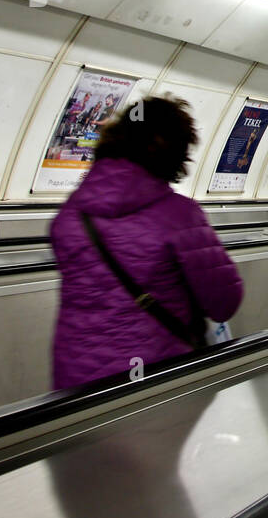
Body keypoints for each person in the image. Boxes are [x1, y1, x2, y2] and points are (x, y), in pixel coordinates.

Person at [49, 95, 244, 389]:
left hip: (76, 382)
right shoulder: (180, 216)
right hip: (158, 380)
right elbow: (223, 303)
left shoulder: (70, 216)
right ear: (174, 151)